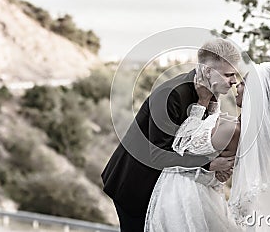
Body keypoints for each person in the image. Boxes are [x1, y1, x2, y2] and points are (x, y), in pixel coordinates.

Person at [101, 39, 241, 232]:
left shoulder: (209, 95)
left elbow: (194, 141)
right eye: (228, 75)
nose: (234, 81)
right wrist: (209, 164)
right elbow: (158, 155)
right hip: (136, 184)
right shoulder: (171, 95)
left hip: (169, 188)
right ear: (208, 72)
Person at [144, 62, 270, 232]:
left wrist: (202, 101)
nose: (236, 85)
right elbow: (210, 137)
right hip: (203, 195)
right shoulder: (243, 131)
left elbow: (180, 145)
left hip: (185, 197)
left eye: (244, 84)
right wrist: (213, 104)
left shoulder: (231, 130)